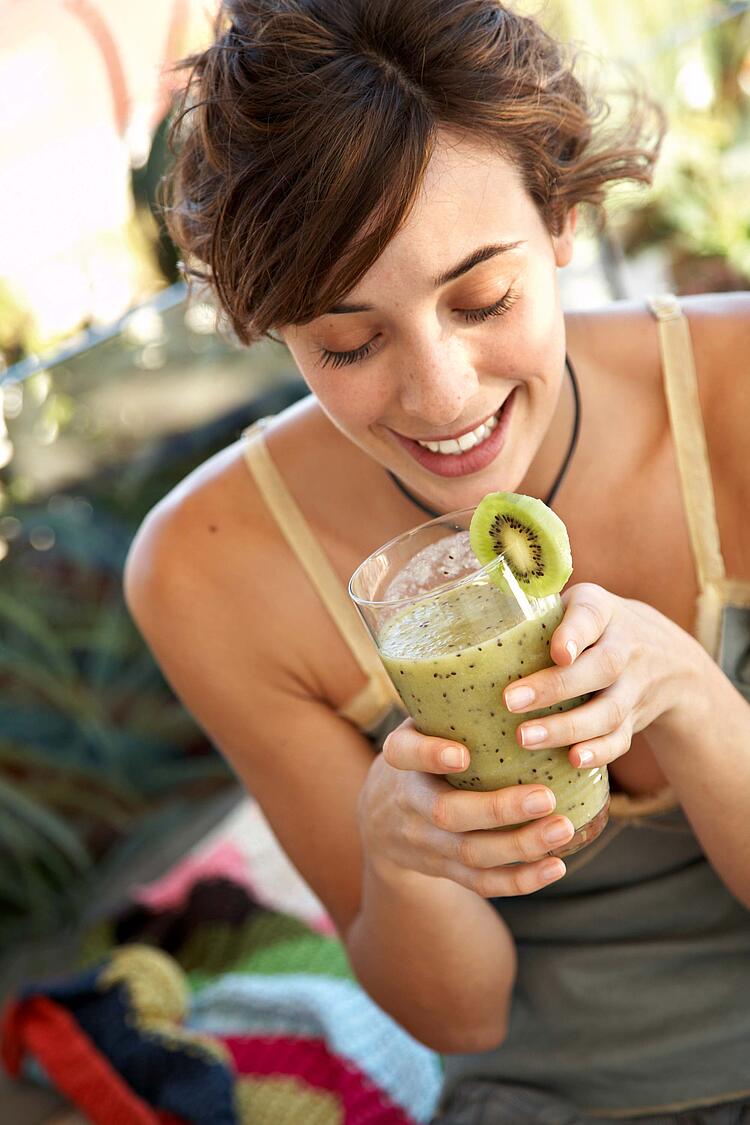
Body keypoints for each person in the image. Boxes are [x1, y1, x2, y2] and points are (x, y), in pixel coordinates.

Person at [123, 2, 750, 1121]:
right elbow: (457, 1021)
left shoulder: (736, 389)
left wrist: (694, 699)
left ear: (560, 215)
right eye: (349, 343)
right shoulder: (209, 571)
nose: (443, 399)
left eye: (483, 299)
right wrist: (402, 861)